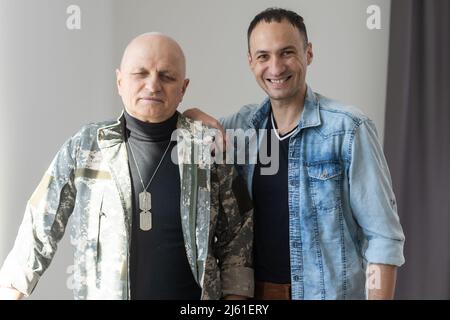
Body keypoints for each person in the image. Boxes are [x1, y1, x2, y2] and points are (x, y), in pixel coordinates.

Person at [0, 33, 253, 300]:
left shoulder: (207, 149)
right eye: (140, 74)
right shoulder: (86, 146)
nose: (153, 85)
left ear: (183, 88)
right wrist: (11, 290)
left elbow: (238, 237)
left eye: (166, 76)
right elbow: (39, 226)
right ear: (120, 81)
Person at [184, 8, 405, 300]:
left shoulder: (348, 129)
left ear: (308, 53)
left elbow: (383, 238)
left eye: (286, 52)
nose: (275, 68)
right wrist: (192, 114)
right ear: (251, 62)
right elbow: (189, 128)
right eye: (263, 56)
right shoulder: (240, 128)